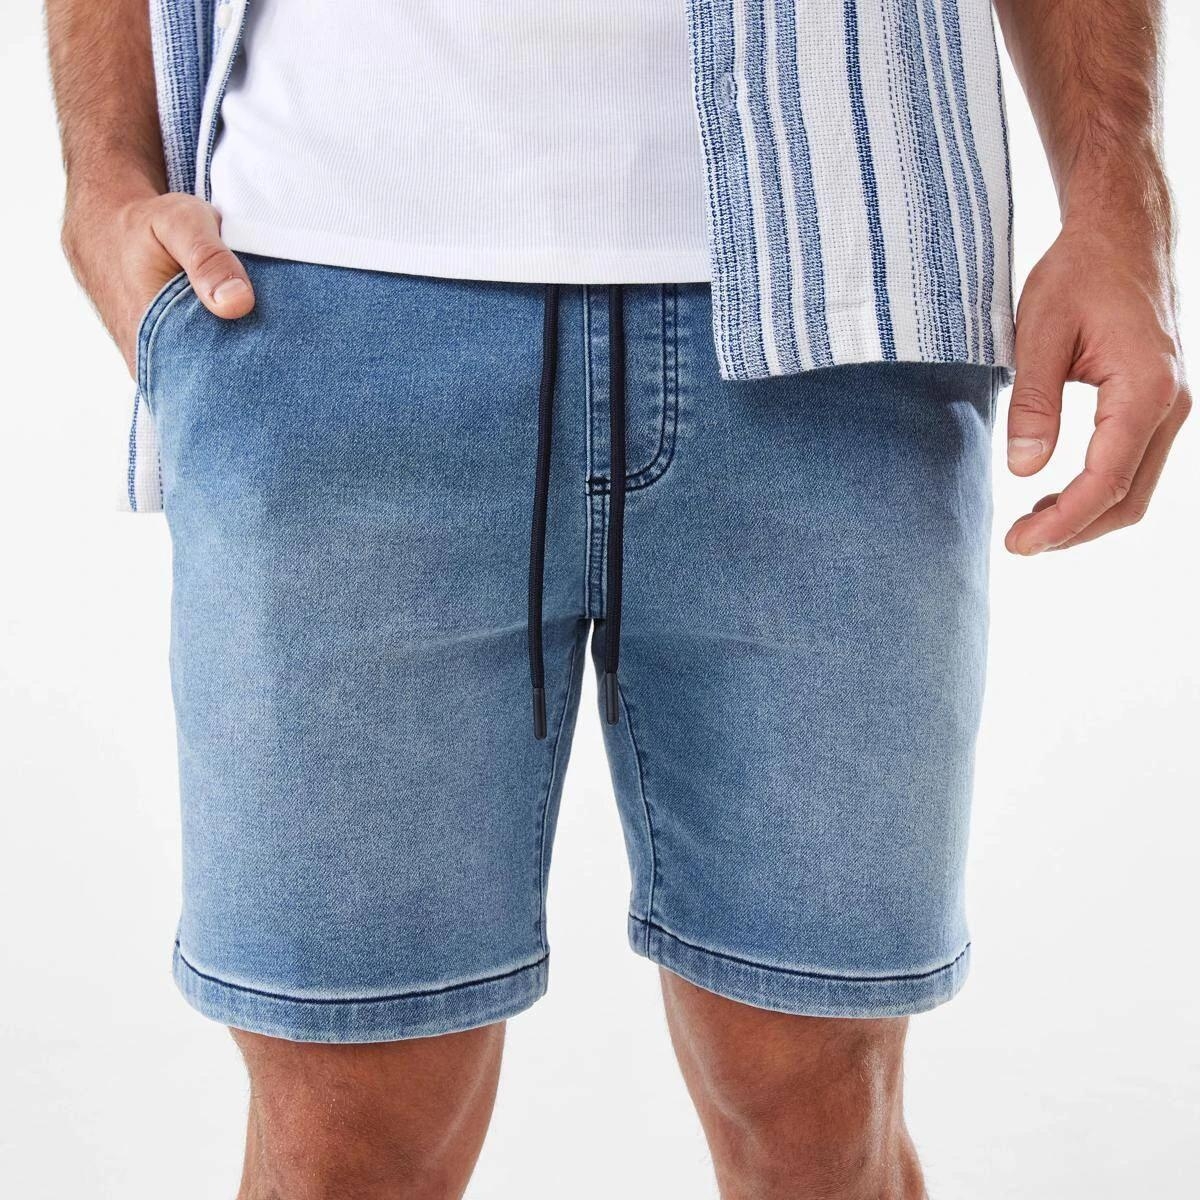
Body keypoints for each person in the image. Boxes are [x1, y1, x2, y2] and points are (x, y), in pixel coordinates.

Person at [47, 1, 1188, 1196]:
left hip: (847, 283)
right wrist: (103, 175)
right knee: (343, 1137)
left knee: (819, 1118)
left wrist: (1121, 199)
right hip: (318, 294)